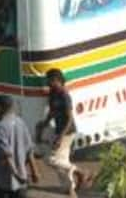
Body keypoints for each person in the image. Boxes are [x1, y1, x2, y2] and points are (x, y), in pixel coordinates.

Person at [36, 69, 92, 198]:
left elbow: (69, 118)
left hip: (67, 132)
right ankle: (71, 187)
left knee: (51, 159)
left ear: (58, 80)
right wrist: (44, 124)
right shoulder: (53, 93)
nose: (48, 83)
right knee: (61, 161)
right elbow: (52, 112)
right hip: (58, 130)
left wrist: (60, 137)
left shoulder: (64, 95)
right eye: (48, 80)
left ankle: (81, 172)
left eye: (51, 80)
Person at [0, 95, 39, 198]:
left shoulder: (0, 127)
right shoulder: (20, 122)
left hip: (0, 179)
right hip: (20, 181)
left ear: (1, 107)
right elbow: (29, 150)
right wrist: (34, 172)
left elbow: (7, 155)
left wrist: (16, 175)